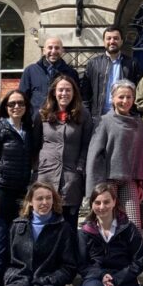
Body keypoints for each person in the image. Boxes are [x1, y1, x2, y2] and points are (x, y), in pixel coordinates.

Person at [86, 79, 143, 225]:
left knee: (134, 223)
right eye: (121, 97)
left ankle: (134, 248)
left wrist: (140, 183)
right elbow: (94, 155)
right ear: (113, 99)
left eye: (129, 97)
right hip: (108, 180)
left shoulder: (139, 123)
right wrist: (94, 187)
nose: (125, 101)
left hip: (130, 180)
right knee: (108, 221)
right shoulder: (104, 121)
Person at [32, 74, 93, 226]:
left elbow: (87, 145)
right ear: (54, 92)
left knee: (68, 225)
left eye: (68, 90)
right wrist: (36, 166)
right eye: (60, 90)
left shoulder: (83, 115)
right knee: (44, 221)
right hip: (46, 175)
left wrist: (80, 167)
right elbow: (34, 144)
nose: (64, 94)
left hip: (71, 178)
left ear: (74, 93)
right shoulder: (42, 114)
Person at [0, 90, 35, 224]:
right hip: (2, 189)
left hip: (22, 189)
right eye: (12, 104)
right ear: (6, 107)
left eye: (20, 103)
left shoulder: (28, 130)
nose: (16, 107)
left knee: (19, 227)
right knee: (0, 226)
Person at [81, 26, 143, 124]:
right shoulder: (93, 64)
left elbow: (138, 91)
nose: (112, 41)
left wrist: (134, 113)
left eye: (116, 38)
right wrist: (88, 116)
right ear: (104, 41)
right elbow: (85, 94)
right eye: (109, 38)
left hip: (125, 115)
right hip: (99, 117)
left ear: (121, 41)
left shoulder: (132, 63)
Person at [19, 35, 80, 113]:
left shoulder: (71, 73)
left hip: (62, 120)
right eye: (50, 48)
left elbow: (76, 99)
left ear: (62, 51)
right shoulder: (30, 71)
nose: (53, 51)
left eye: (57, 48)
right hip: (36, 121)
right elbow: (23, 98)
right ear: (43, 51)